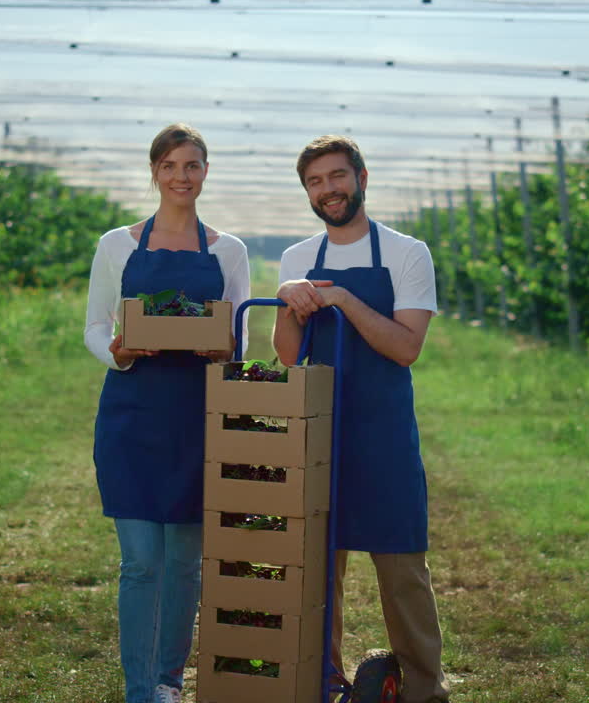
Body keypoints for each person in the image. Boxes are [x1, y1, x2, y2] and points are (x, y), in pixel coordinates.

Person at [273, 135, 449, 703]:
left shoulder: (405, 253)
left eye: (336, 177)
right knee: (320, 571)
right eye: (315, 182)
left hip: (384, 433)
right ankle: (320, 682)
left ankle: (425, 690)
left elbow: (405, 347)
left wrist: (345, 300)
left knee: (402, 571)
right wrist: (286, 297)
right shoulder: (298, 258)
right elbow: (284, 355)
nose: (328, 190)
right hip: (317, 431)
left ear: (362, 178)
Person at [85, 123, 251, 703]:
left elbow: (240, 340)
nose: (182, 177)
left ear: (206, 172)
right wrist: (120, 352)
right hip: (132, 414)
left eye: (193, 166)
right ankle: (138, 690)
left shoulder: (228, 250)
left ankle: (167, 682)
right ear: (154, 171)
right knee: (140, 563)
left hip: (196, 417)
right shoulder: (118, 245)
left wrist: (223, 348)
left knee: (183, 562)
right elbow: (95, 326)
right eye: (171, 166)